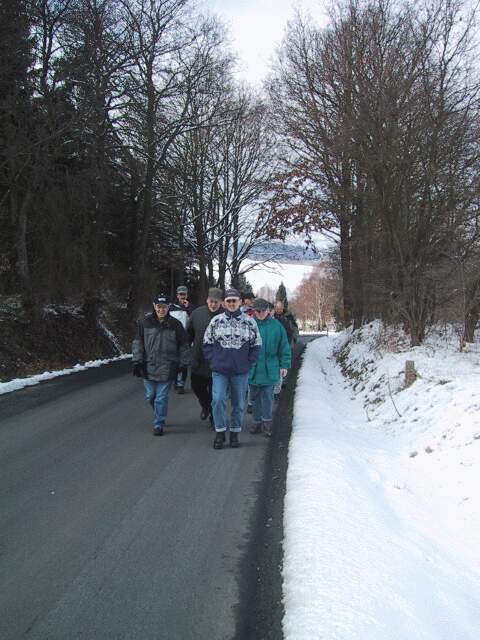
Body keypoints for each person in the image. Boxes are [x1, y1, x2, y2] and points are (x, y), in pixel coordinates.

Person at [203, 288, 262, 449]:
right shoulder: (216, 321)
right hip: (220, 370)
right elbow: (207, 343)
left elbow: (257, 345)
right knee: (218, 400)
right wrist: (213, 361)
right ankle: (220, 432)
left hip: (240, 372)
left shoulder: (249, 322)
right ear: (224, 303)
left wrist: (248, 362)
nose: (231, 303)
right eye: (228, 301)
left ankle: (235, 433)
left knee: (239, 404)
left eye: (234, 301)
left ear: (240, 302)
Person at [132, 294, 190, 436]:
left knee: (161, 398)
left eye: (164, 307)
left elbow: (184, 345)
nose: (161, 310)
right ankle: (159, 413)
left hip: (168, 366)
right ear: (154, 306)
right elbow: (138, 343)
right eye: (158, 307)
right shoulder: (145, 323)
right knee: (150, 396)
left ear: (168, 307)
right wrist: (137, 361)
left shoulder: (176, 324)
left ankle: (159, 423)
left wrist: (183, 364)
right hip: (148, 366)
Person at [249, 298, 291, 437]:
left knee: (267, 397)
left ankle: (267, 422)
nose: (260, 313)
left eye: (263, 310)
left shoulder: (276, 326)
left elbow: (284, 346)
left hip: (270, 368)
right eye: (257, 311)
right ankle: (256, 422)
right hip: (253, 368)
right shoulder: (248, 325)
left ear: (268, 310)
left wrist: (284, 365)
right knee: (254, 397)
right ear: (254, 311)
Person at [187, 287, 223, 428]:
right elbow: (189, 334)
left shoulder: (225, 316)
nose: (213, 304)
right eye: (211, 301)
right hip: (199, 359)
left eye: (216, 302)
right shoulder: (197, 314)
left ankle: (214, 417)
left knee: (216, 393)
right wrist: (187, 352)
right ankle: (206, 406)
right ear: (207, 300)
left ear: (221, 302)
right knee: (196, 386)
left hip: (218, 362)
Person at [273, 299, 299, 398]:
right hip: (275, 344)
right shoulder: (271, 316)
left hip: (287, 342)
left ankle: (282, 380)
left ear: (283, 308)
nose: (278, 310)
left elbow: (294, 328)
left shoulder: (288, 316)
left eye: (280, 308)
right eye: (277, 308)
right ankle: (276, 385)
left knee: (285, 362)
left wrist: (295, 338)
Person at [169, 285, 192, 394]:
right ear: (177, 295)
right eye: (180, 294)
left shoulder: (190, 308)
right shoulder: (170, 308)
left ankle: (180, 384)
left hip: (185, 340)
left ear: (187, 295)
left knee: (183, 363)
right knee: (174, 362)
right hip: (172, 340)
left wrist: (188, 308)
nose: (182, 296)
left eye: (184, 294)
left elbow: (193, 321)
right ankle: (175, 380)